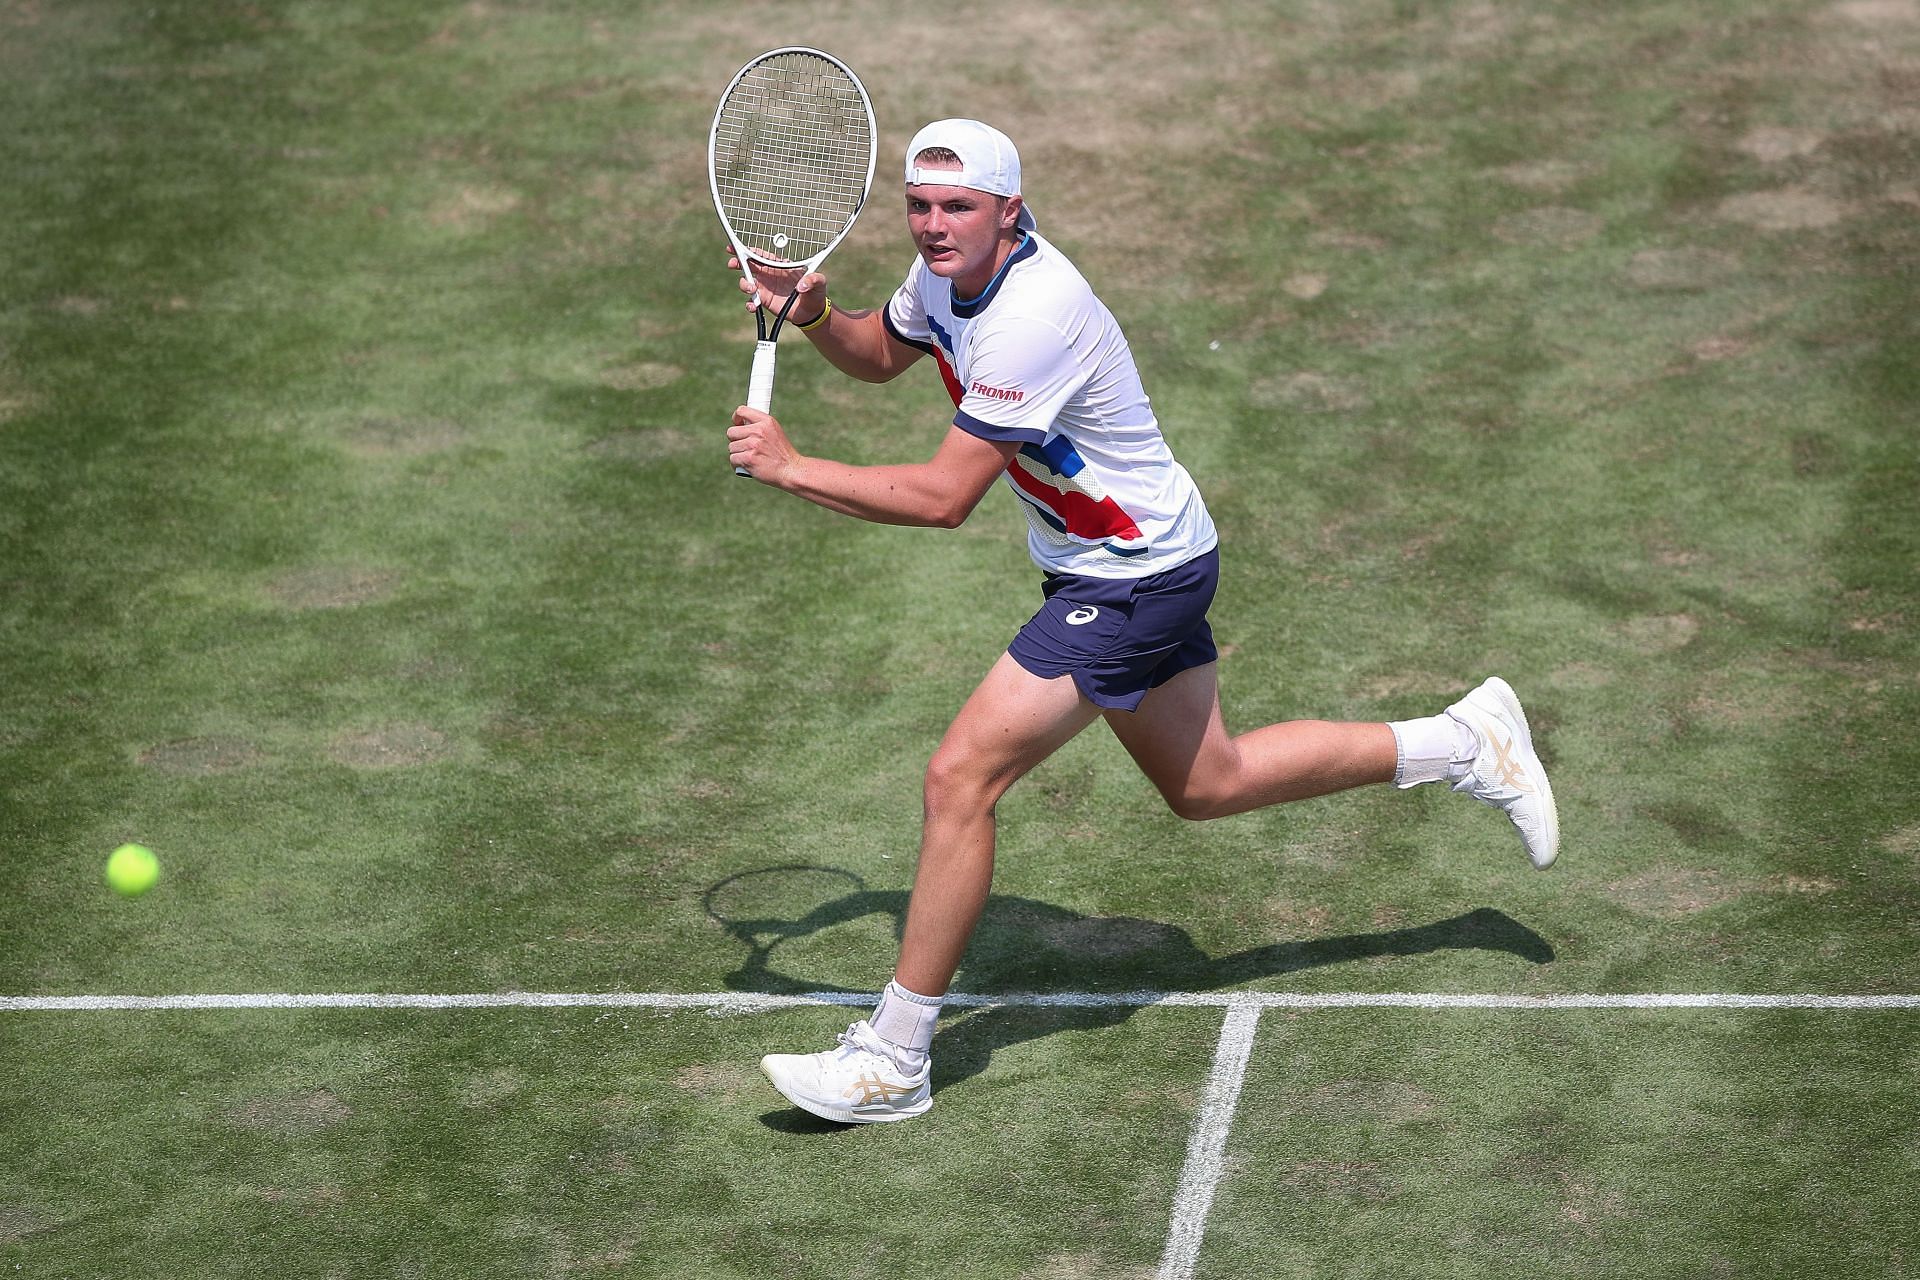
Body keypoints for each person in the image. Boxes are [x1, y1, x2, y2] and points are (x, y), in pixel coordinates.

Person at [725, 119, 1559, 1125]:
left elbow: (946, 497)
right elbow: (881, 354)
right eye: (919, 206)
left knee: (960, 775)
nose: (935, 226)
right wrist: (815, 316)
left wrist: (792, 466)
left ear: (1009, 212)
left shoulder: (1036, 314)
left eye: (958, 208)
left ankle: (894, 1057)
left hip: (1132, 577)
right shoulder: (944, 274)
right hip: (1138, 559)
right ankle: (1463, 741)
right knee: (1211, 782)